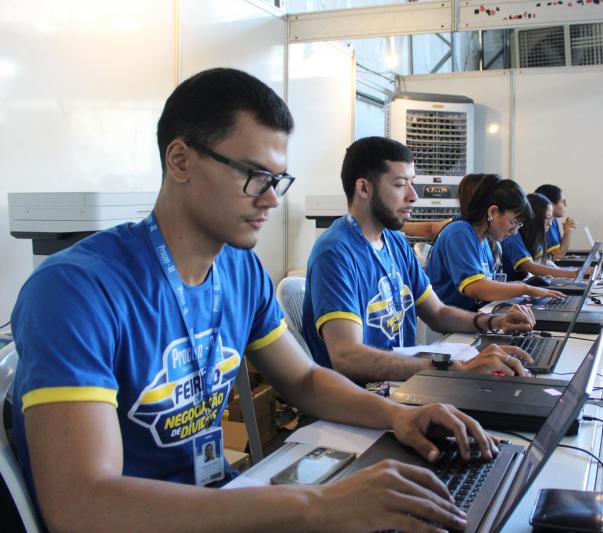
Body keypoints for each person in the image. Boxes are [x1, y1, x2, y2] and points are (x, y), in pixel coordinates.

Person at [11, 69, 504, 532]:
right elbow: (81, 503)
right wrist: (318, 506)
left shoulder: (238, 269)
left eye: (277, 179)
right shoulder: (75, 290)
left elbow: (305, 380)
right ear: (180, 160)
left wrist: (398, 416)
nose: (271, 199)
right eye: (254, 175)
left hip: (223, 501)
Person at [301, 137, 537, 384]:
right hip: (360, 396)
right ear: (364, 189)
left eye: (412, 183)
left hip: (400, 384)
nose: (413, 196)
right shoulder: (335, 253)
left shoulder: (395, 242)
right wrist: (455, 368)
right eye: (400, 184)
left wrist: (495, 322)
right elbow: (347, 357)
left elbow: (438, 313)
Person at [426, 175, 566, 312]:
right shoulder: (459, 232)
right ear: (493, 212)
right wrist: (525, 289)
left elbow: (489, 282)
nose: (514, 232)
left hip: (476, 314)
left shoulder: (486, 241)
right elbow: (475, 287)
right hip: (450, 322)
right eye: (513, 222)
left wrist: (520, 285)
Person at [500, 193, 589, 281]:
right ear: (534, 218)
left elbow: (542, 263)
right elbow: (530, 267)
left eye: (551, 219)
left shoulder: (533, 235)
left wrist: (575, 272)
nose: (550, 223)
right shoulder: (512, 236)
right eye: (547, 218)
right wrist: (575, 274)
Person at [534, 184, 576, 260]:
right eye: (563, 202)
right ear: (550, 203)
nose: (566, 205)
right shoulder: (543, 222)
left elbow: (558, 253)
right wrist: (567, 232)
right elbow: (558, 254)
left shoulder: (552, 220)